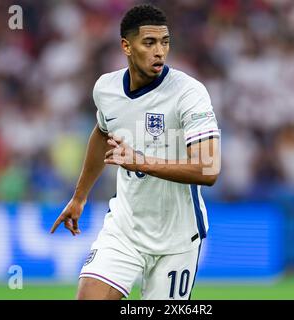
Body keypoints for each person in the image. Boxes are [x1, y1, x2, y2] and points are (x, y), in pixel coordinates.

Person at [50, 4, 221, 300]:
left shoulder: (189, 93)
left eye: (165, 42)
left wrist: (141, 162)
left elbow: (208, 170)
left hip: (177, 240)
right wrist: (80, 196)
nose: (160, 52)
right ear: (126, 47)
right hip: (124, 230)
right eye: (149, 43)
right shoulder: (106, 88)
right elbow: (102, 133)